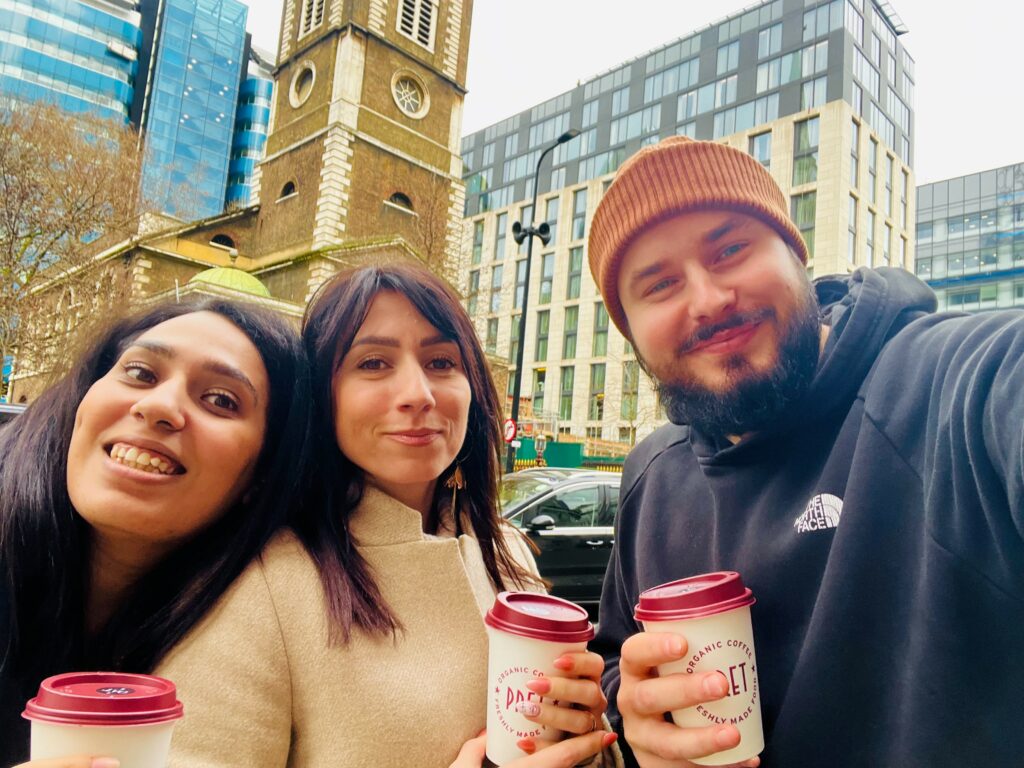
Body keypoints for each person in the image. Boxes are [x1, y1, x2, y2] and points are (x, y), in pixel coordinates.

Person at [585, 135, 1024, 767]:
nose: (708, 300)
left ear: (796, 254)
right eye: (658, 285)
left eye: (731, 248)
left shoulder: (946, 382)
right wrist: (635, 707)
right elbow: (616, 659)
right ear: (631, 334)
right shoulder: (650, 475)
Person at [157, 263, 619, 767]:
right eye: (373, 363)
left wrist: (588, 740)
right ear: (321, 396)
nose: (418, 395)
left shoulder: (503, 549)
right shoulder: (259, 585)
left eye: (442, 362)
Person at [0, 298, 310, 768]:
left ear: (262, 474)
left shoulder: (259, 624)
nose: (159, 406)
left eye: (221, 400)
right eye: (141, 373)